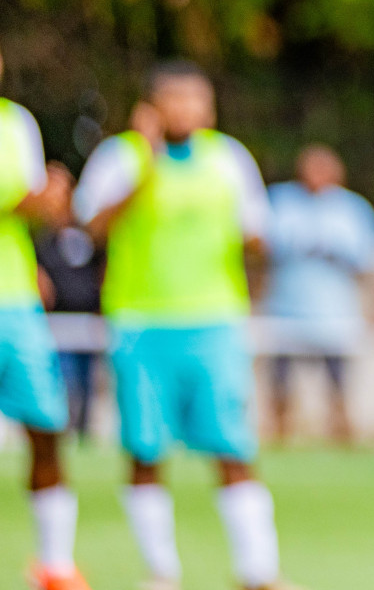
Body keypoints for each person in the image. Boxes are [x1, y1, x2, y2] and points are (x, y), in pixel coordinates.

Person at [73, 61, 290, 590]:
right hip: (140, 324)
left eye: (196, 98)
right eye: (175, 98)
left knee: (233, 447)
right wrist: (145, 168)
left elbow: (257, 235)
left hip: (213, 322)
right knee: (146, 450)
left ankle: (258, 572)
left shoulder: (229, 158)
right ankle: (162, 573)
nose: (187, 108)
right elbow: (91, 229)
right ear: (150, 105)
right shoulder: (119, 157)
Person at [0, 49, 94, 590]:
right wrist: (26, 201)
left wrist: (51, 202)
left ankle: (55, 566)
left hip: (15, 303)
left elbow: (34, 207)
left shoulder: (17, 122)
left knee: (47, 430)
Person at [263, 144, 374, 444]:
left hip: (335, 312)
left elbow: (367, 258)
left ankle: (341, 435)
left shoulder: (353, 208)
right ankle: (280, 434)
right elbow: (263, 246)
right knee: (280, 381)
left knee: (339, 382)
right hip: (285, 308)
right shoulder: (280, 200)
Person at [32, 163, 106, 441]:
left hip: (88, 325)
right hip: (55, 327)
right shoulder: (40, 237)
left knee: (86, 388)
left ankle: (82, 436)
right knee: (65, 385)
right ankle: (64, 435)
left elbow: (102, 268)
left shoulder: (88, 234)